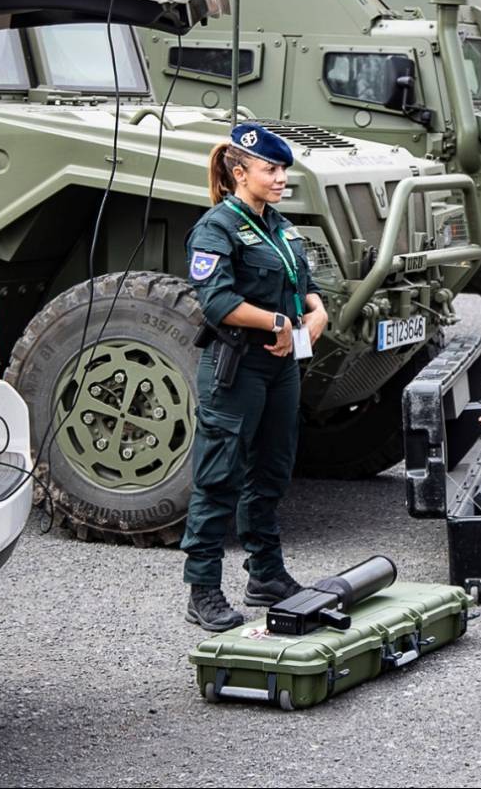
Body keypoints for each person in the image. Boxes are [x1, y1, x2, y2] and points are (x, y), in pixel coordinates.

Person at [181, 122, 328, 630]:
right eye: (271, 169)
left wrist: (316, 309)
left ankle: (265, 574)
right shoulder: (216, 228)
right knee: (218, 476)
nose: (281, 176)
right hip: (237, 365)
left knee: (271, 471)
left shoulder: (278, 225)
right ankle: (202, 590)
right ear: (240, 173)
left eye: (283, 167)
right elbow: (217, 302)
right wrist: (278, 322)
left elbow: (301, 282)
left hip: (280, 366)